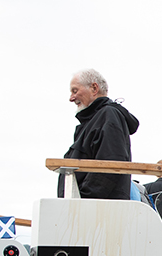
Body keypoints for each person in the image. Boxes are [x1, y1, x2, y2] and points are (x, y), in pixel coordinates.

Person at [58, 69, 140, 199]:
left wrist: (83, 198)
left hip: (96, 209)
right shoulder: (90, 122)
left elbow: (111, 162)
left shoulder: (108, 115)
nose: (71, 98)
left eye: (75, 91)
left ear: (94, 88)